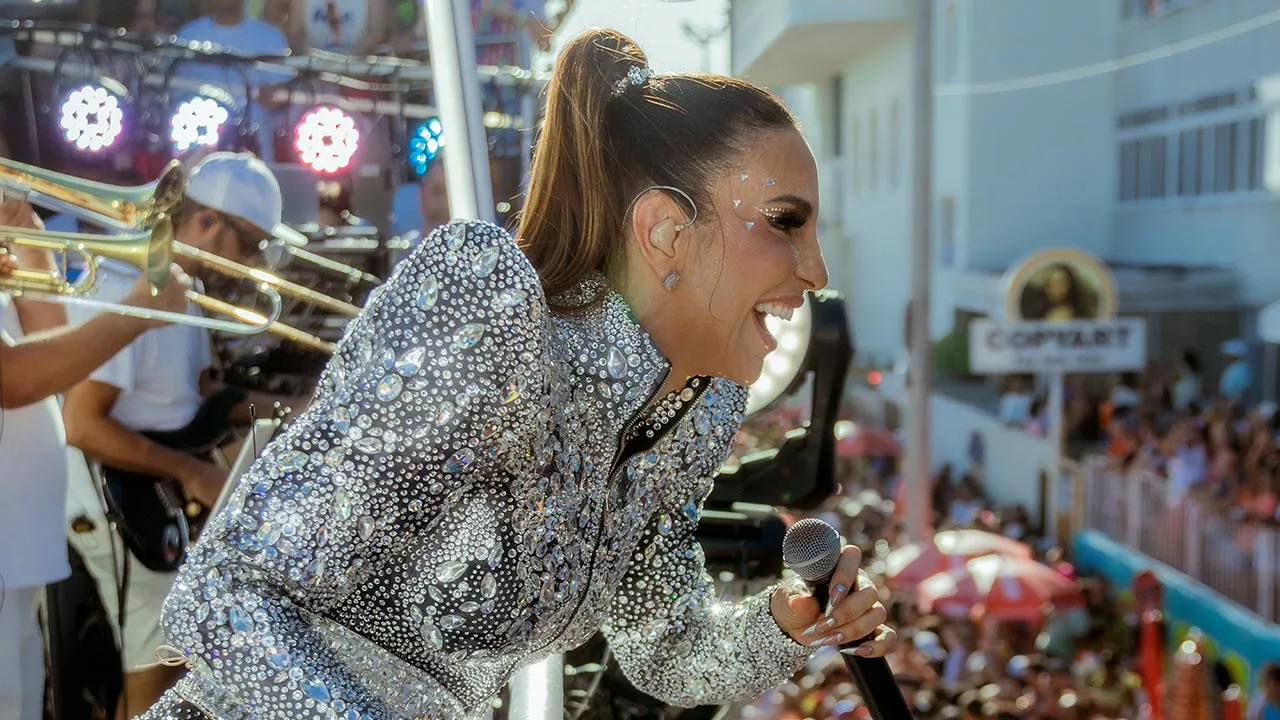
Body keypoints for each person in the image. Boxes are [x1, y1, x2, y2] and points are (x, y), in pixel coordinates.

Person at [139, 29, 895, 719]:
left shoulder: (692, 410)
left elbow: (665, 651)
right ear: (666, 229)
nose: (817, 270)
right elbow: (224, 597)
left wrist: (787, 624)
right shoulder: (492, 308)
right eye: (786, 221)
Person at [62, 152, 306, 718]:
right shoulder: (129, 286)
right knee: (157, 668)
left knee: (175, 663)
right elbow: (82, 422)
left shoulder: (182, 289)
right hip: (115, 499)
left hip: (150, 495)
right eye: (248, 244)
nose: (250, 262)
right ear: (207, 223)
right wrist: (191, 472)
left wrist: (298, 407)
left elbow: (197, 398)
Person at [0, 203, 189, 720]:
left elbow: (45, 330)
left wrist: (27, 239)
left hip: (19, 551)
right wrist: (136, 311)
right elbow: (14, 378)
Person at [174, 0, 294, 161]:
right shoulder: (186, 36)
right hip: (193, 157)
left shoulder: (271, 38)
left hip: (253, 159)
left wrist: (278, 97)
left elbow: (285, 98)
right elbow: (172, 97)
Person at [1018, 262, 1096, 322]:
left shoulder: (1080, 309)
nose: (1059, 288)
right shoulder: (1033, 310)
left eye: (1063, 283)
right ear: (1047, 286)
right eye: (1055, 283)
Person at [1219, 338, 1252, 405]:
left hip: (1234, 405)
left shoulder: (1241, 369)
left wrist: (1232, 405)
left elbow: (1243, 391)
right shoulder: (1230, 368)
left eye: (1227, 354)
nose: (1225, 357)